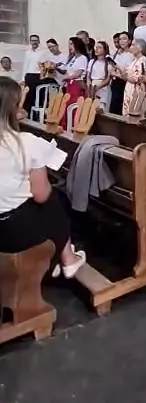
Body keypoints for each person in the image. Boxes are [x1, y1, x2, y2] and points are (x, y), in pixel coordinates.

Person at [0, 77, 85, 276]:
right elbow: (41, 195)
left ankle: (56, 260)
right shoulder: (26, 142)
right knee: (53, 199)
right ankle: (67, 259)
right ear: (14, 109)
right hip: (12, 233)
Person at [61, 37, 89, 124]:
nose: (69, 46)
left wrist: (66, 78)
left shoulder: (83, 58)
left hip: (77, 85)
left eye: (71, 44)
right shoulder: (72, 58)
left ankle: (74, 125)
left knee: (74, 106)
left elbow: (78, 73)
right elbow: (67, 70)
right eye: (69, 44)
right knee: (67, 105)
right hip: (69, 85)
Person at [122, 38, 146, 116]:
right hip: (129, 88)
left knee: (133, 113)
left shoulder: (143, 60)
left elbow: (136, 78)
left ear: (140, 48)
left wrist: (125, 75)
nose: (131, 47)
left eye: (133, 45)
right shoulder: (134, 60)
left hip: (136, 89)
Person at [109, 32, 134, 115]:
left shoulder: (131, 55)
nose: (122, 41)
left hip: (124, 82)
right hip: (115, 82)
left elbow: (128, 72)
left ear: (129, 41)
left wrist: (117, 74)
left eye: (124, 39)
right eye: (120, 39)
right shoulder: (119, 54)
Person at [22, 33, 44, 115]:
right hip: (28, 76)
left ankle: (35, 115)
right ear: (30, 42)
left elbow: (44, 66)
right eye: (32, 40)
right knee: (27, 95)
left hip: (37, 76)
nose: (34, 42)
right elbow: (25, 65)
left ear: (38, 41)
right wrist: (23, 78)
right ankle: (27, 113)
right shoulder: (27, 52)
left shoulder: (43, 52)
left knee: (36, 96)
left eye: (36, 40)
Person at [86, 41, 113, 111]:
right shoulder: (92, 61)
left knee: (102, 108)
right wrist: (90, 86)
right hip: (92, 86)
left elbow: (108, 79)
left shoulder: (109, 63)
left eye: (99, 47)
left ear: (105, 50)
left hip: (103, 86)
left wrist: (98, 87)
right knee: (91, 109)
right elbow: (88, 76)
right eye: (96, 47)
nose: (96, 49)